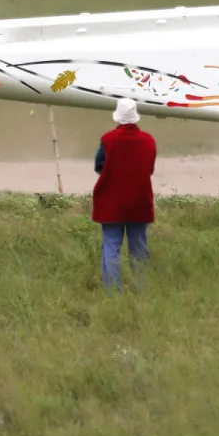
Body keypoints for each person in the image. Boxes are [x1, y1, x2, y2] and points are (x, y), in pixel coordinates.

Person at [93, 98, 157, 293]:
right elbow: (150, 169)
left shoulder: (107, 139)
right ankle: (141, 289)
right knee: (139, 248)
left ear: (118, 117)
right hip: (139, 201)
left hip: (111, 202)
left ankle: (113, 293)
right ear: (135, 118)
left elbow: (98, 166)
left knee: (111, 247)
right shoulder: (148, 141)